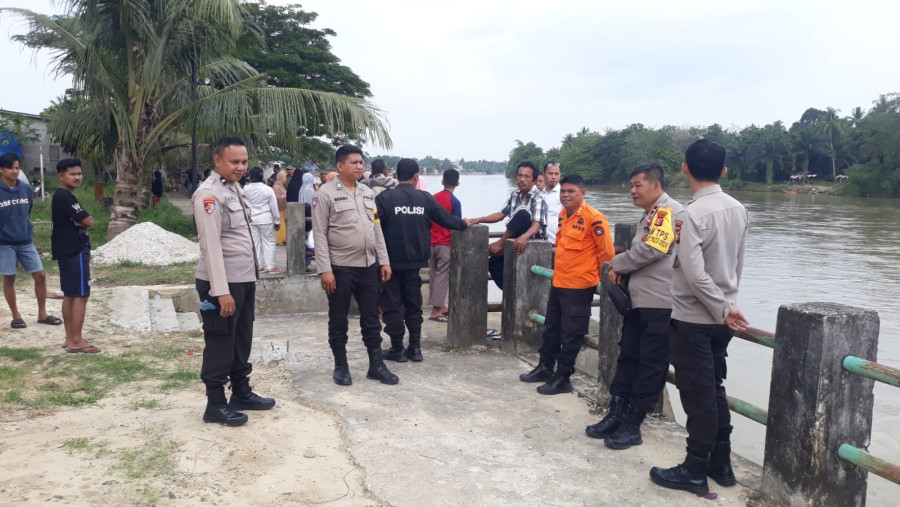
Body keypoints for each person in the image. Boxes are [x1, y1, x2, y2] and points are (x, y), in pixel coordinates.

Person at [649, 139, 749, 496]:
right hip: (723, 321)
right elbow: (736, 265)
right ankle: (721, 462)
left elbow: (693, 274)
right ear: (723, 171)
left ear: (685, 169)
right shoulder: (739, 209)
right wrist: (728, 305)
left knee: (698, 396)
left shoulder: (691, 214)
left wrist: (721, 307)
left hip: (694, 318)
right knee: (715, 391)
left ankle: (694, 469)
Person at [584, 162, 684, 449]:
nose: (632, 191)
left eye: (638, 185)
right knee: (628, 357)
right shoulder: (651, 214)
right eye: (631, 185)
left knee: (650, 364)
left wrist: (617, 263)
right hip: (641, 302)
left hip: (660, 303)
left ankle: (633, 422)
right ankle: (616, 413)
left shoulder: (666, 211)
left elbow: (653, 248)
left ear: (656, 185)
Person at [193, 136, 274, 427]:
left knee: (241, 338)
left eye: (244, 161)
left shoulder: (233, 189)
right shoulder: (209, 194)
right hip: (222, 283)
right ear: (217, 160)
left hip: (243, 279)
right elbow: (211, 245)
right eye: (234, 161)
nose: (241, 167)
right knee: (220, 341)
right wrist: (221, 291)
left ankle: (241, 391)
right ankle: (215, 404)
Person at [518, 174, 614, 394]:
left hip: (580, 286)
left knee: (572, 335)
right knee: (551, 329)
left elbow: (606, 254)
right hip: (560, 282)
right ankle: (544, 367)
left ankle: (563, 378)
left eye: (571, 191)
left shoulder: (594, 219)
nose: (565, 195)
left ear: (583, 193)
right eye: (563, 191)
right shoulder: (564, 215)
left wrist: (596, 280)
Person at [312, 145, 396, 386]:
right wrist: (325, 269)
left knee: (371, 318)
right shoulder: (324, 194)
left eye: (361, 162)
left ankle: (376, 365)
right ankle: (341, 365)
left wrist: (384, 260)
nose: (360, 166)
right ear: (340, 166)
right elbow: (319, 234)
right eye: (354, 162)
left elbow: (376, 228)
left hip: (368, 266)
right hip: (340, 267)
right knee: (338, 318)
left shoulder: (368, 194)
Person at [376, 159, 467, 362]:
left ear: (396, 176)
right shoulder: (425, 198)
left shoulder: (384, 199)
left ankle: (397, 348)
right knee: (413, 305)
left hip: (389, 263)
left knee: (392, 305)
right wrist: (464, 223)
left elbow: (372, 227)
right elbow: (445, 218)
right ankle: (415, 349)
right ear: (417, 176)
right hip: (415, 262)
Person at [0, 153, 61, 330]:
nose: (15, 171)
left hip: (25, 240)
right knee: (10, 277)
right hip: (4, 243)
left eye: (17, 168)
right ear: (2, 170)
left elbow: (28, 212)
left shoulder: (26, 189)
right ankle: (16, 315)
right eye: (11, 168)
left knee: (40, 276)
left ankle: (42, 313)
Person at [465, 160, 547, 289]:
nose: (522, 179)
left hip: (532, 239)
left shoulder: (538, 197)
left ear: (535, 180)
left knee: (523, 211)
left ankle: (501, 243)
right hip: (515, 237)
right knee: (493, 263)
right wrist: (477, 219)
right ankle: (511, 292)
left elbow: (536, 225)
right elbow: (500, 215)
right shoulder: (515, 194)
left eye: (527, 176)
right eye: (520, 175)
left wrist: (523, 237)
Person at [51, 158, 99, 353]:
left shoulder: (63, 196)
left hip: (65, 250)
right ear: (61, 176)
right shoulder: (66, 197)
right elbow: (88, 221)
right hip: (75, 250)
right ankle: (76, 341)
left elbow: (84, 220)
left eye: (79, 173)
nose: (77, 177)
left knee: (70, 294)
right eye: (72, 174)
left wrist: (83, 221)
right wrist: (84, 221)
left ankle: (70, 337)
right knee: (80, 294)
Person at [428, 168, 462, 322]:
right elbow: (457, 224)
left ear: (442, 181)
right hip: (446, 243)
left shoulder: (433, 198)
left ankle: (439, 306)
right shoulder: (455, 202)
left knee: (433, 273)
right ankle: (436, 310)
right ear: (458, 183)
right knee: (443, 274)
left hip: (431, 242)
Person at [243, 167, 281, 273]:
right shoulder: (268, 189)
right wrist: (277, 221)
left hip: (251, 220)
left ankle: (258, 266)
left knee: (254, 243)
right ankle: (271, 266)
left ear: (251, 176)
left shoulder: (245, 189)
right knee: (269, 242)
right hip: (266, 219)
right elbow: (274, 207)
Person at [541, 162, 563, 244]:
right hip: (540, 242)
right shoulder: (539, 194)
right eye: (550, 173)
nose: (554, 177)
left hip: (558, 243)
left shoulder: (564, 194)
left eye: (556, 174)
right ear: (544, 175)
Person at [273, 171, 287, 245]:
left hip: (282, 210)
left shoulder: (281, 186)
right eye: (284, 177)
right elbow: (276, 198)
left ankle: (283, 239)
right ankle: (279, 240)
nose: (286, 179)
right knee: (280, 224)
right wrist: (285, 196)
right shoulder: (276, 186)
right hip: (279, 209)